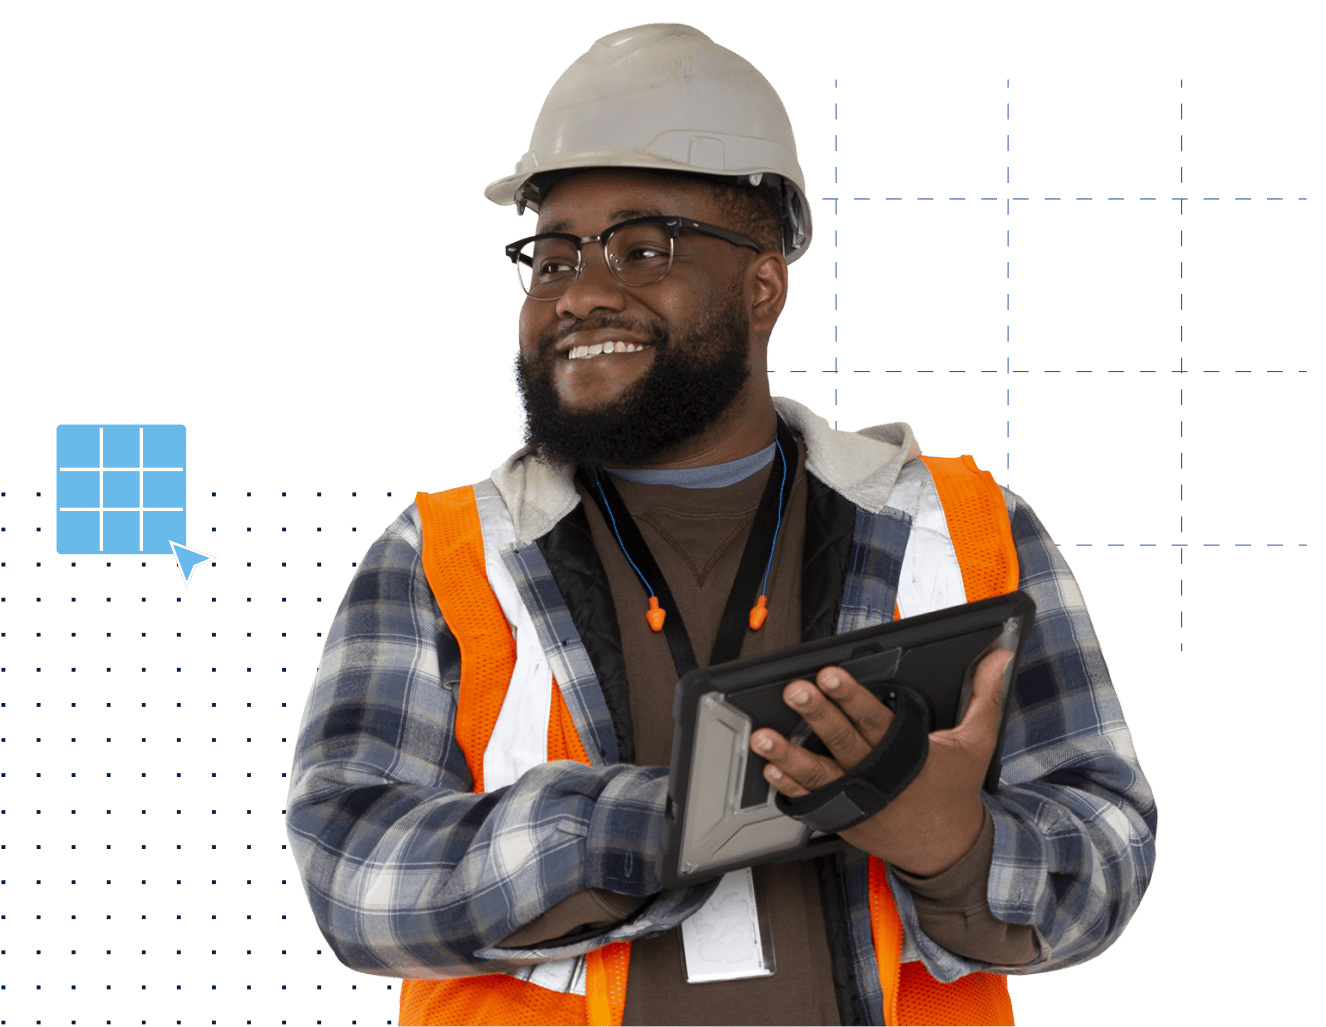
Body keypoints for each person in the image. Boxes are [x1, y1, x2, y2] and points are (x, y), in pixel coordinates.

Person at [285, 22, 1157, 1027]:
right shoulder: (441, 556)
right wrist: (656, 825)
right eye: (553, 256)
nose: (581, 292)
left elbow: (1109, 851)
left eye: (642, 247)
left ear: (764, 282)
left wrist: (949, 839)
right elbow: (349, 868)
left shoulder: (960, 528)